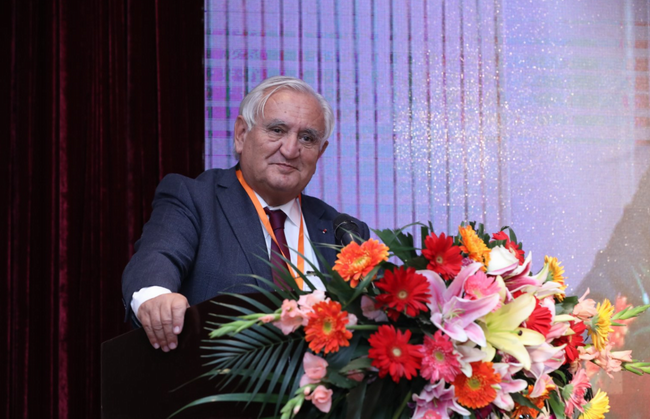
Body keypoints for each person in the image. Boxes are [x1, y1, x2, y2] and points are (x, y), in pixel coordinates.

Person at [122, 76, 370, 352]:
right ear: (241, 134)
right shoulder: (195, 199)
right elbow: (158, 256)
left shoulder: (342, 231)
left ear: (320, 152)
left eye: (307, 138)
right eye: (277, 130)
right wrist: (155, 298)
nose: (290, 150)